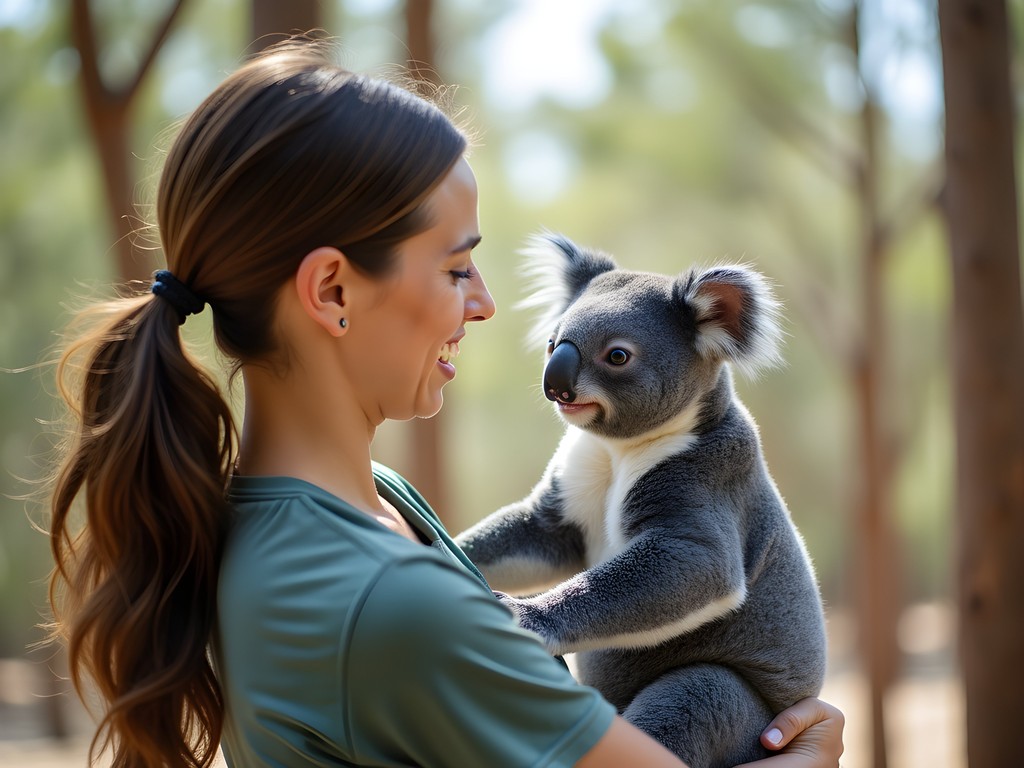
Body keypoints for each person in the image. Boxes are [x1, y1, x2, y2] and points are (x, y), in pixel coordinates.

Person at [47, 40, 844, 768]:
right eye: (458, 269)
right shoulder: (397, 608)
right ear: (332, 291)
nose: (489, 304)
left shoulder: (329, 512)